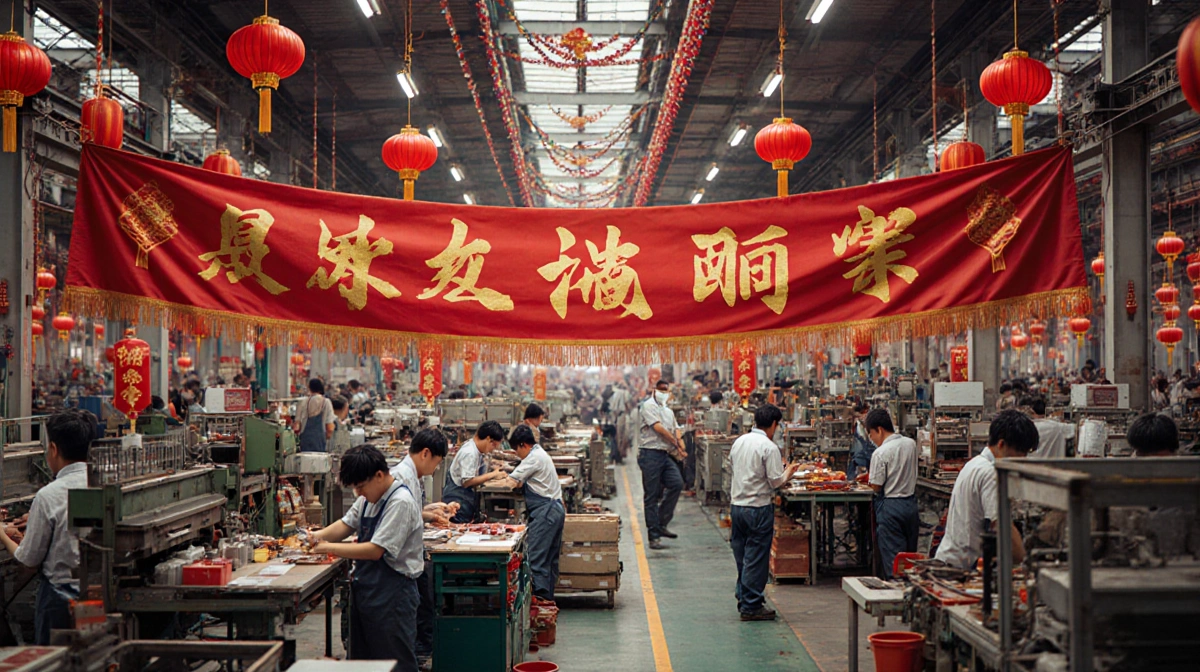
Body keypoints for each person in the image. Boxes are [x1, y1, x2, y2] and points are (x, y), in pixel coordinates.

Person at [311, 446, 423, 667]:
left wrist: (328, 548)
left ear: (379, 475)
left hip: (394, 597)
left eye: (361, 487)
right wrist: (315, 537)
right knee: (363, 664)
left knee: (395, 663)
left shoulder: (399, 501)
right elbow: (346, 524)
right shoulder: (368, 499)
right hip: (368, 593)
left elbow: (375, 550)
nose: (359, 493)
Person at [0, 409, 96, 644]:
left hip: (60, 602)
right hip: (97, 592)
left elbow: (28, 560)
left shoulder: (49, 496)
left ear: (53, 449)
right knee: (92, 655)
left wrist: (2, 534)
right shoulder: (102, 483)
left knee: (55, 661)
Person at [935, 410, 1037, 570]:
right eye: (1020, 453)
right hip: (961, 566)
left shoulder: (975, 463)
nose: (1022, 460)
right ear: (1002, 444)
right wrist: (1028, 565)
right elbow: (1003, 526)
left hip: (953, 559)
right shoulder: (990, 472)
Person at [728, 404, 800, 621]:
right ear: (774, 425)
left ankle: (743, 593)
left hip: (737, 506)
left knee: (742, 555)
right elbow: (775, 481)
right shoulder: (769, 447)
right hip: (757, 508)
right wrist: (789, 472)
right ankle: (751, 606)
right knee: (756, 558)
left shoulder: (739, 442)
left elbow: (734, 468)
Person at [386, 428, 450, 668]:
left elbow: (410, 513)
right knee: (407, 632)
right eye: (437, 462)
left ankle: (419, 657)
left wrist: (431, 513)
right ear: (426, 453)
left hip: (411, 562)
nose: (435, 468)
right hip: (401, 567)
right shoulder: (401, 478)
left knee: (418, 617)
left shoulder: (411, 476)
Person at [503, 425, 565, 601]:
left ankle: (540, 602)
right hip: (554, 509)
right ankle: (548, 602)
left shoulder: (534, 458)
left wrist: (492, 478)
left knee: (537, 559)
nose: (517, 454)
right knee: (549, 560)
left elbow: (511, 483)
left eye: (516, 450)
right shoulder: (539, 453)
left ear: (523, 445)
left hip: (546, 512)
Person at [864, 409, 920, 579]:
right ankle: (910, 596)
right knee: (908, 560)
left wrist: (868, 480)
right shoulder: (911, 444)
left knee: (894, 562)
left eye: (871, 434)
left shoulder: (880, 453)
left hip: (891, 508)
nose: (872, 440)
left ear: (879, 430)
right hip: (910, 506)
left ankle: (895, 597)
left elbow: (876, 486)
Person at [636, 379, 686, 549]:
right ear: (654, 390)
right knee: (652, 495)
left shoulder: (668, 411)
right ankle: (654, 536)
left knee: (676, 483)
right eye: (661, 390)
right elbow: (658, 428)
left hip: (664, 455)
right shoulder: (648, 406)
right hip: (649, 454)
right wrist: (675, 442)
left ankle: (661, 523)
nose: (664, 393)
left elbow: (675, 427)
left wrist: (680, 443)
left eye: (666, 390)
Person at [442, 420, 508, 523]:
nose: (493, 449)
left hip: (465, 498)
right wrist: (492, 475)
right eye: (494, 445)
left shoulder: (475, 449)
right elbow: (467, 481)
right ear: (488, 439)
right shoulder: (470, 453)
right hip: (458, 501)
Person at [294, 379, 335, 453]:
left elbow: (297, 426)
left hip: (305, 442)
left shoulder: (302, 402)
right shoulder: (326, 402)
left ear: (309, 388)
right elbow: (330, 427)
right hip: (320, 442)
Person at [848, 401, 875, 476]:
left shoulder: (863, 425)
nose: (865, 415)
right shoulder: (858, 424)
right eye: (865, 413)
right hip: (861, 456)